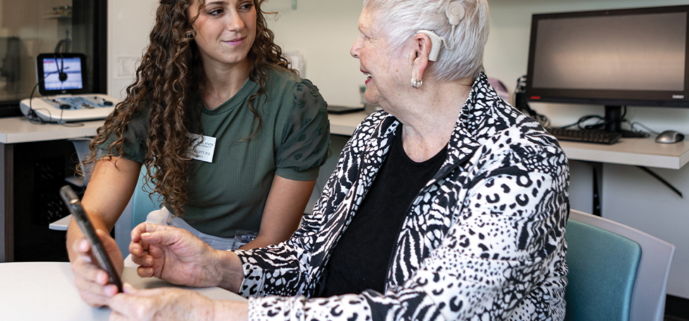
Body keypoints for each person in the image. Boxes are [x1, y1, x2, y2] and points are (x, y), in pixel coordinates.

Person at [104, 0, 571, 319]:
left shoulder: (523, 161)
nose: (354, 49)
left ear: (419, 53)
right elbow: (309, 253)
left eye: (366, 35)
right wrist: (218, 268)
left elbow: (426, 311)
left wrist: (219, 312)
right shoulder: (380, 131)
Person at [67, 0, 331, 307]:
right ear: (185, 23)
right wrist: (89, 257)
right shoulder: (162, 96)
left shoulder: (296, 102)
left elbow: (274, 241)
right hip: (172, 252)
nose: (238, 23)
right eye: (216, 10)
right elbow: (92, 214)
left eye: (245, 5)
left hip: (252, 264)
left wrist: (210, 268)